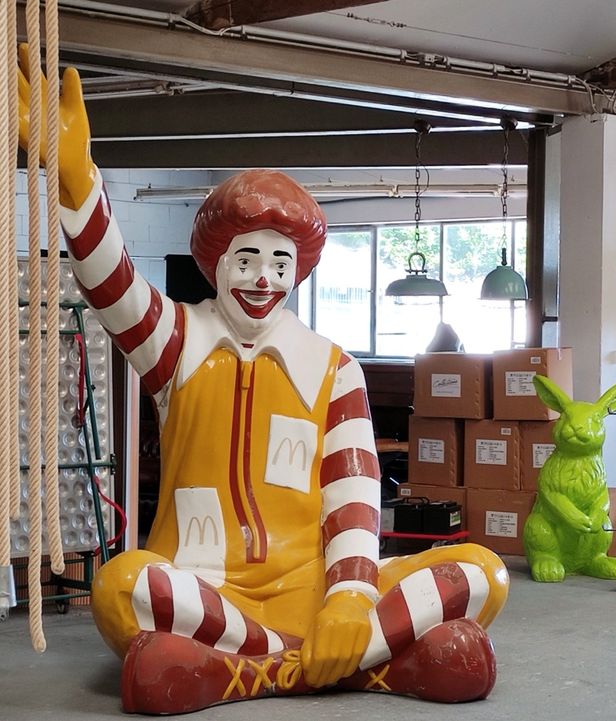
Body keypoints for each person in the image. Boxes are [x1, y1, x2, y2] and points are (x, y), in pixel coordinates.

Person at [17, 50, 508, 715]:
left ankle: (241, 671)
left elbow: (356, 498)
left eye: (281, 261)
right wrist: (75, 176)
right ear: (216, 263)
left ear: (298, 271)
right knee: (120, 586)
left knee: (483, 570)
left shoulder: (332, 367)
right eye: (247, 258)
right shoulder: (177, 340)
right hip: (202, 587)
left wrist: (348, 597)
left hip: (319, 590)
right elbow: (114, 285)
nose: (262, 278)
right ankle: (361, 664)